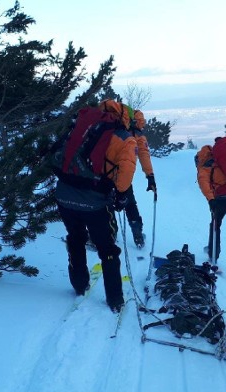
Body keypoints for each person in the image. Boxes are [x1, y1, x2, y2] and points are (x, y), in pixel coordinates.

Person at [54, 99, 137, 312]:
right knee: (107, 248)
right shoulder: (124, 138)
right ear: (125, 117)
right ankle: (115, 299)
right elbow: (126, 171)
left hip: (64, 194)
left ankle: (79, 284)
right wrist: (120, 195)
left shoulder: (82, 125)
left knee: (75, 238)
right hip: (95, 202)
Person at [122, 109, 157, 248]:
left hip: (105, 173)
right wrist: (150, 176)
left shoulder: (114, 130)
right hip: (124, 176)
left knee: (105, 204)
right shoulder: (138, 136)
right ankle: (138, 236)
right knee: (130, 204)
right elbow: (144, 156)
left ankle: (109, 234)